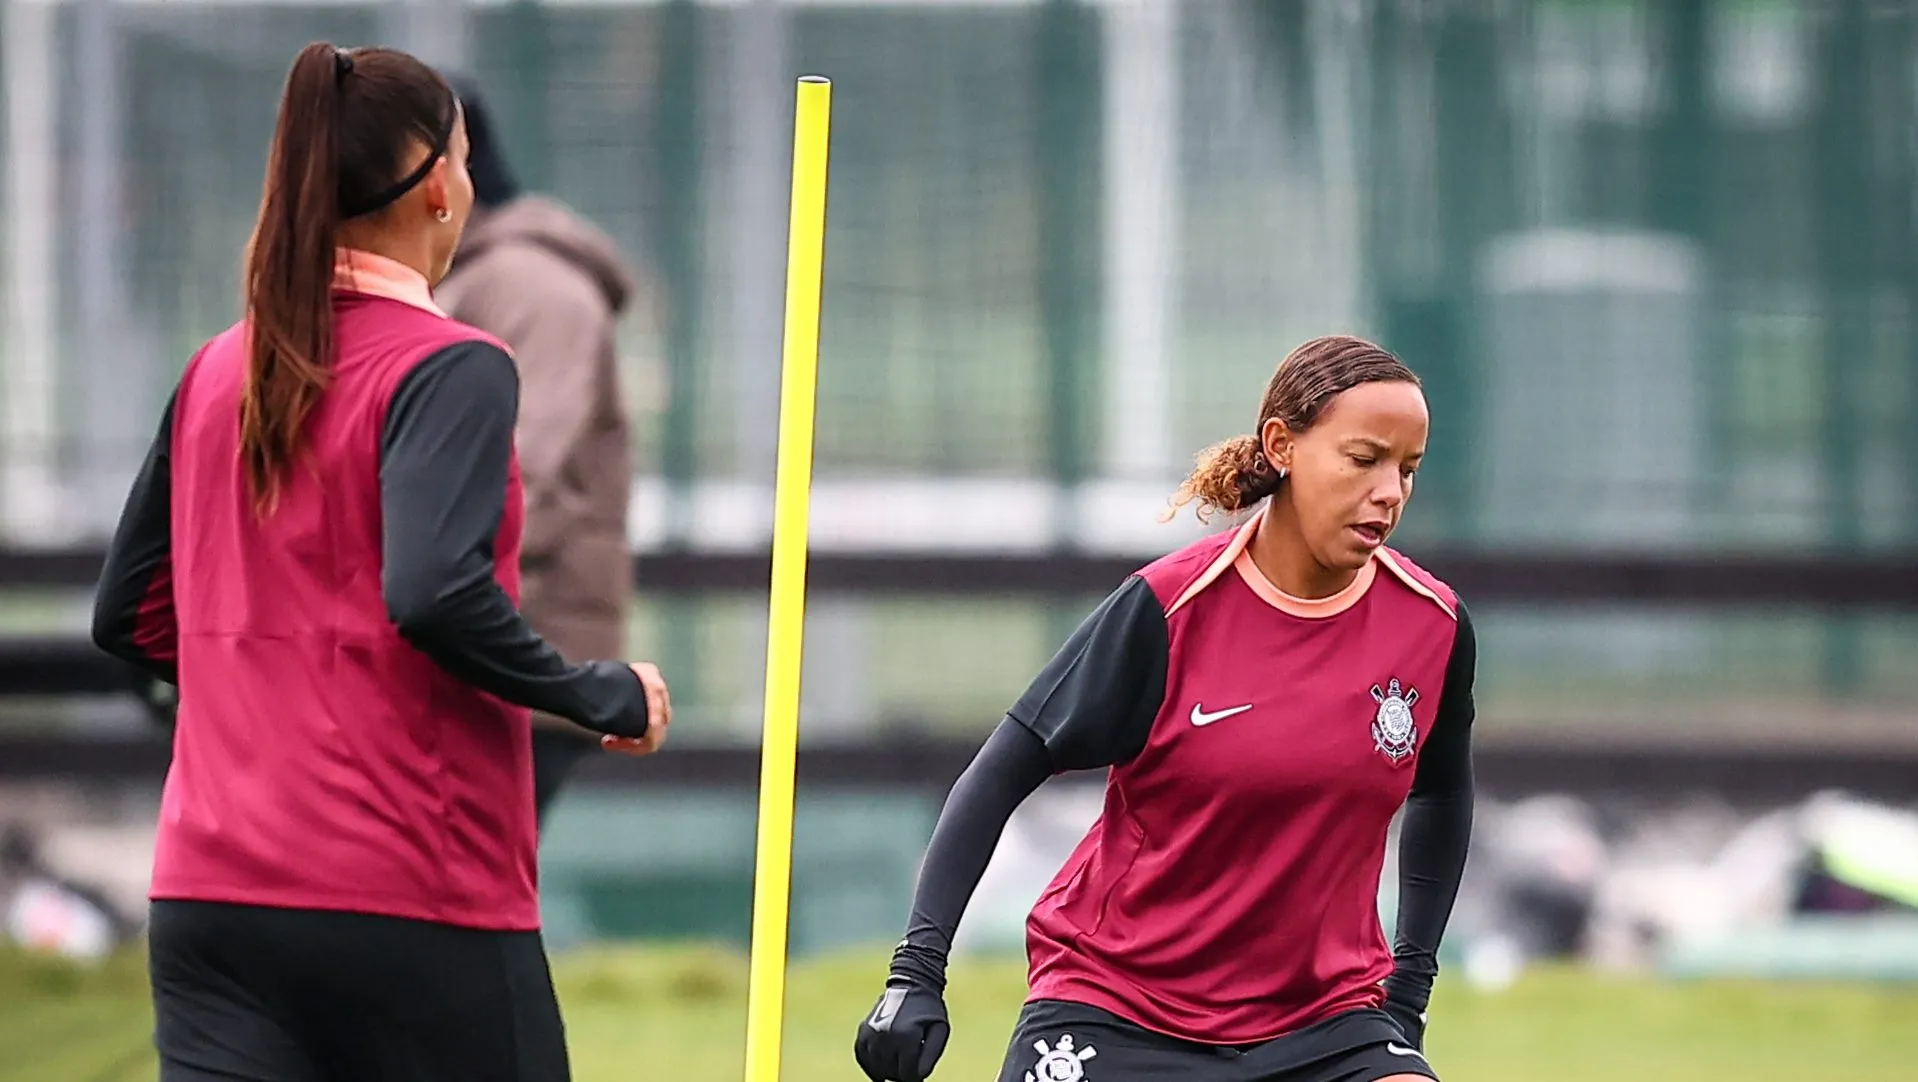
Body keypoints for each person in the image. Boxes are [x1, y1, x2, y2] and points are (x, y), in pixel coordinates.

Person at [89, 42, 671, 1082]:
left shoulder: (216, 366)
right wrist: (598, 691)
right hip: (407, 884)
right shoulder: (451, 367)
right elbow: (433, 591)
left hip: (210, 898)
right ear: (442, 184)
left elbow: (127, 614)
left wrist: (262, 696)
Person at [854, 335, 1476, 1082]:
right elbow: (1000, 772)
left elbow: (1442, 790)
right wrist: (916, 973)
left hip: (1324, 1022)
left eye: (1407, 469)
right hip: (1120, 1011)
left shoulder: (1431, 624)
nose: (1390, 492)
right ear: (1282, 445)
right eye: (1364, 459)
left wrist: (1408, 989)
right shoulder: (1169, 610)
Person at [433, 76, 642, 827]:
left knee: (461, 874)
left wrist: (416, 571)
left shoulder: (534, 288)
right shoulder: (476, 277)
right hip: (483, 643)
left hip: (520, 650)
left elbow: (523, 471)